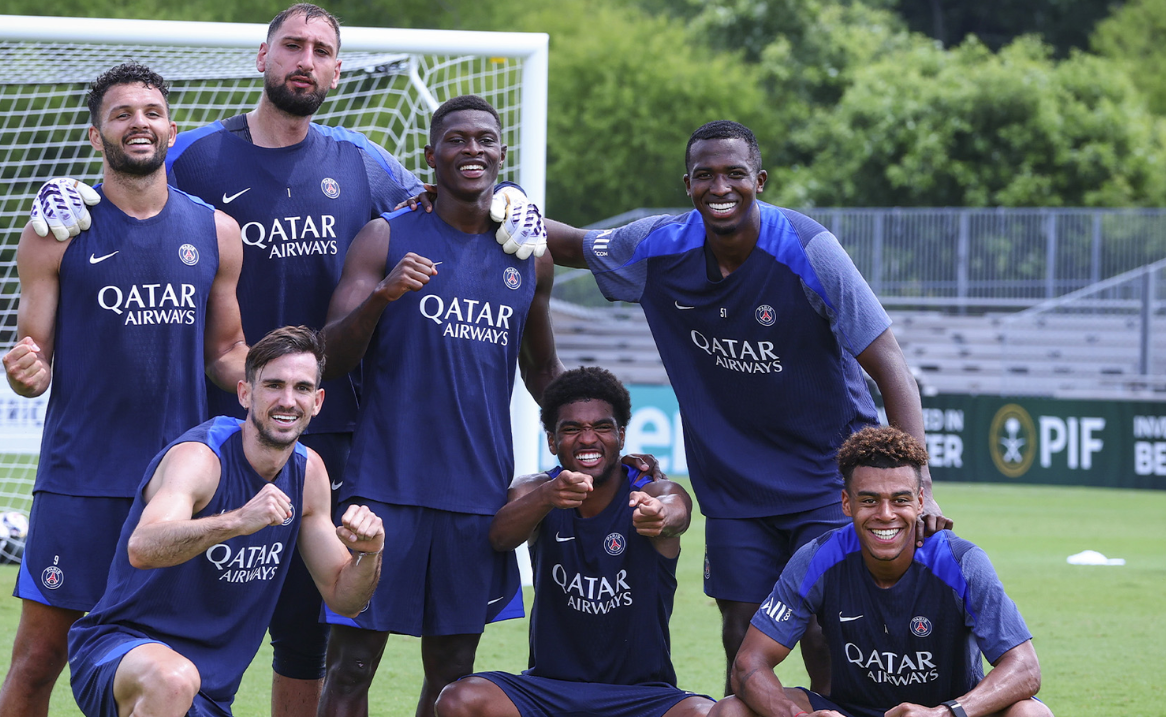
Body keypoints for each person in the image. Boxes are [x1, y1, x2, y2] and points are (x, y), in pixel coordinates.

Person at [24, 7, 543, 711]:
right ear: (261, 56)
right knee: (166, 626)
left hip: (325, 434)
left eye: (321, 50)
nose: (305, 59)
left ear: (336, 69)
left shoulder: (365, 163)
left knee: (305, 640)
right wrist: (67, 193)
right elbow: (127, 180)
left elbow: (451, 200)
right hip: (219, 436)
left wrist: (510, 200)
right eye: (291, 45)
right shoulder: (198, 154)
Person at [543, 120, 950, 693]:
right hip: (734, 488)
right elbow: (571, 245)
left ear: (759, 180)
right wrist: (500, 207)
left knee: (825, 630)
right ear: (688, 184)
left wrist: (921, 482)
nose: (720, 187)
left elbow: (890, 365)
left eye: (735, 173)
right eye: (705, 175)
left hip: (824, 477)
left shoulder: (808, 249)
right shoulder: (658, 245)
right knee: (743, 633)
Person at [0, 63, 248, 717]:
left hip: (176, 487)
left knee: (162, 659)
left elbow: (225, 351)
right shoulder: (56, 232)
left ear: (171, 128)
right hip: (79, 481)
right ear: (95, 135)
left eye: (151, 112)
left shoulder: (216, 232)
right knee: (38, 659)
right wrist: (26, 372)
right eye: (122, 114)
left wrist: (267, 386)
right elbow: (34, 356)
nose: (140, 123)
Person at [317, 94, 563, 717]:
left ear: (502, 153)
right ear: (431, 156)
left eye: (485, 139)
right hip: (383, 490)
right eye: (457, 139)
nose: (472, 149)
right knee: (349, 668)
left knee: (453, 678)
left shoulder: (527, 258)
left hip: (475, 499)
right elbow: (328, 356)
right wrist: (382, 296)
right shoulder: (387, 235)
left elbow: (543, 370)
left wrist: (587, 441)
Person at [67, 325, 385, 717]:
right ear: (245, 393)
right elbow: (142, 546)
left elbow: (344, 598)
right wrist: (236, 521)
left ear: (317, 401)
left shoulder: (310, 472)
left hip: (209, 693)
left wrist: (368, 555)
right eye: (273, 385)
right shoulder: (201, 458)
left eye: (302, 388)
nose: (288, 401)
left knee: (181, 681)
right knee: (173, 680)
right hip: (121, 651)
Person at [711, 426, 1051, 717]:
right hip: (850, 711)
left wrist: (948, 712)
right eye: (870, 500)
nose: (885, 514)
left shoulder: (961, 562)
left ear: (920, 502)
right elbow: (749, 664)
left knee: (1030, 712)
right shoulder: (817, 558)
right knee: (731, 710)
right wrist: (796, 715)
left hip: (942, 712)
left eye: (900, 500)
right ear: (847, 503)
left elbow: (1024, 668)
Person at [436, 366, 713, 717]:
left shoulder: (650, 492)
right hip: (549, 692)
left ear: (621, 435)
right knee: (458, 700)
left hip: (641, 697)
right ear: (552, 440)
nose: (587, 439)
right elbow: (500, 536)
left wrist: (660, 515)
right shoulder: (538, 491)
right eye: (571, 429)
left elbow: (677, 508)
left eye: (601, 427)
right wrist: (548, 497)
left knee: (708, 714)